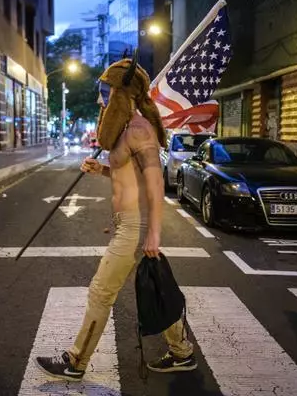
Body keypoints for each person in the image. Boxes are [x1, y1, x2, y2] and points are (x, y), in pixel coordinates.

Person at [35, 53, 197, 382]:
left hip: (135, 228)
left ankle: (75, 362)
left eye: (105, 91)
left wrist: (153, 234)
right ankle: (181, 352)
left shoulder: (138, 130)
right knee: (155, 285)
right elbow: (131, 175)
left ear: (120, 94)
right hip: (129, 224)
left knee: (100, 292)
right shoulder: (126, 129)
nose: (100, 97)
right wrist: (103, 170)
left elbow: (154, 184)